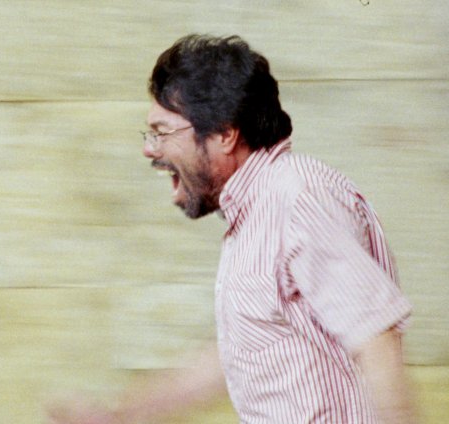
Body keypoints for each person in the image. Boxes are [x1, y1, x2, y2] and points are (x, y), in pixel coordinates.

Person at [47, 34, 415, 423]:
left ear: (224, 134)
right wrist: (116, 416)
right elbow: (227, 360)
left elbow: (377, 340)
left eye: (162, 132)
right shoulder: (256, 214)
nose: (149, 149)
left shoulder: (297, 198)